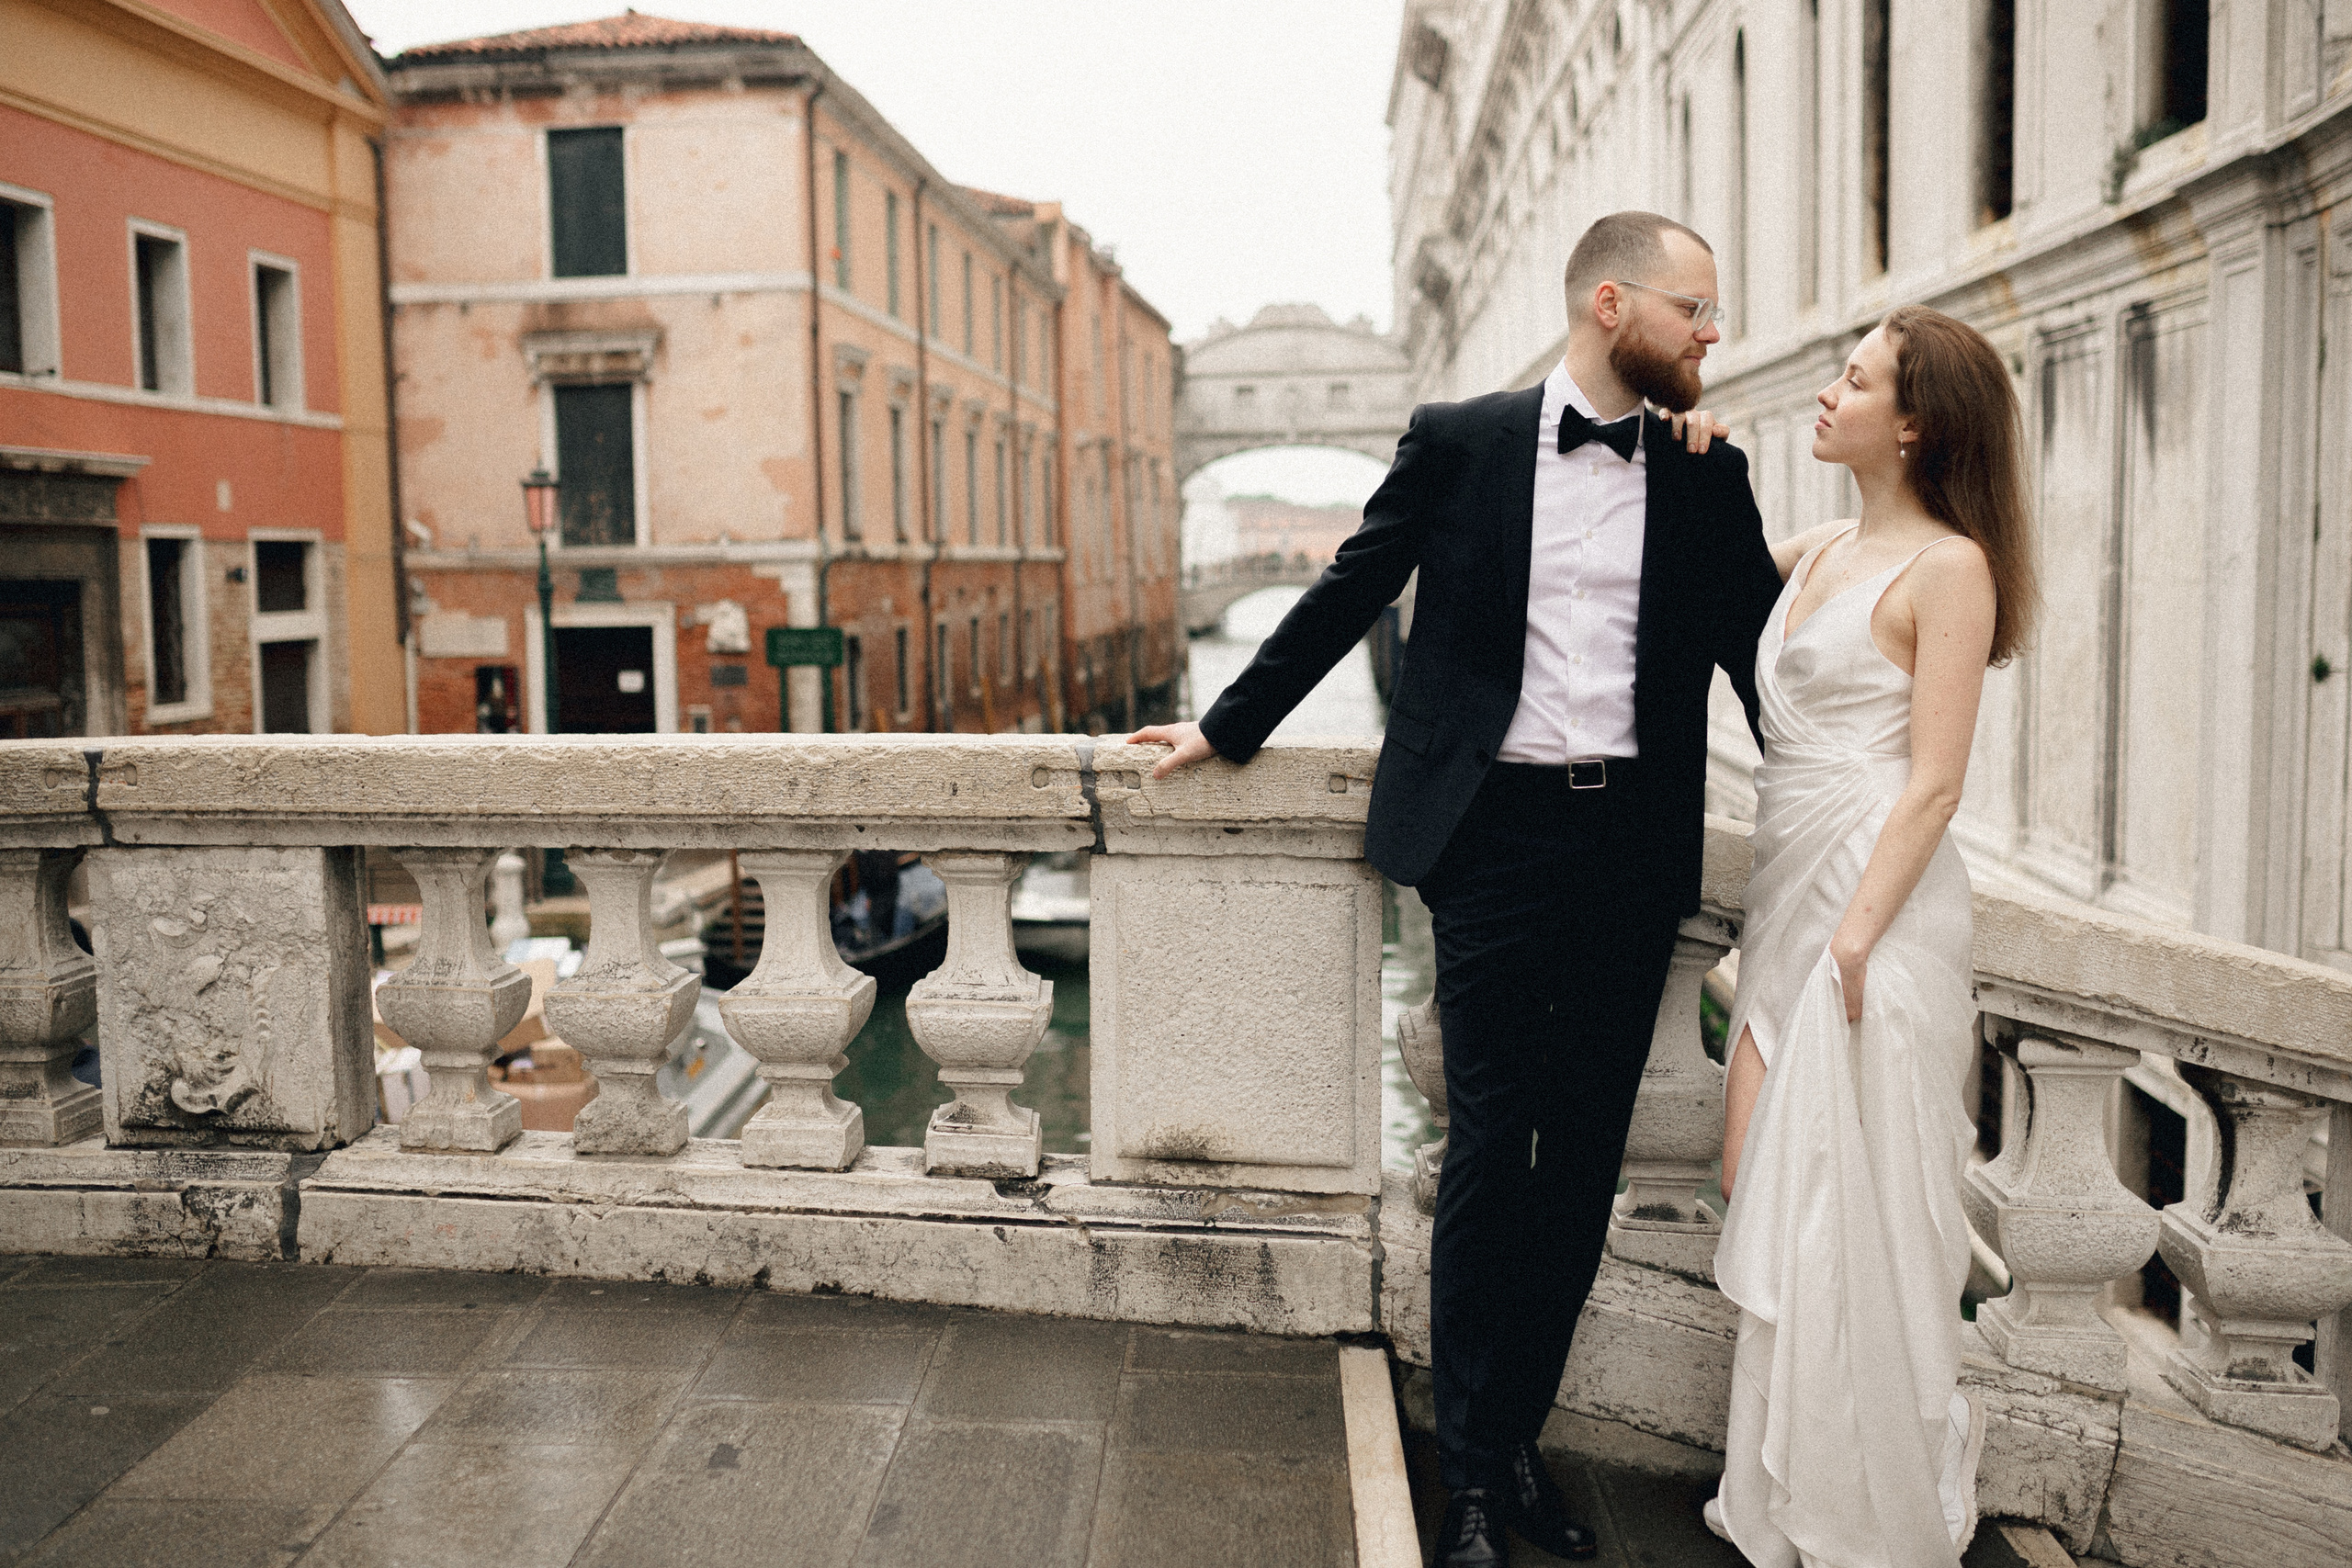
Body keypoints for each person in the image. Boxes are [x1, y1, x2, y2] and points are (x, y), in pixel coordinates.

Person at [1136, 209, 1783, 1567]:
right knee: (1494, 1149)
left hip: (1629, 848)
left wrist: (1851, 808)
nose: (1714, 334)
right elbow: (1346, 587)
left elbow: (1761, 666)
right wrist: (1226, 725)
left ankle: (1517, 1440)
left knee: (1584, 1166)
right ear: (1613, 305)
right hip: (1488, 837)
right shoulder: (1461, 439)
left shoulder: (1710, 476)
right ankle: (1475, 1474)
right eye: (1696, 310)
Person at [1704, 305, 2038, 1567]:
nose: (1826, 397)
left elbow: (1937, 781)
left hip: (1873, 917)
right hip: (1787, 901)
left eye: (1854, 382)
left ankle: (1857, 1510)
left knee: (1859, 1211)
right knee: (1760, 1183)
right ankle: (1784, 1486)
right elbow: (1704, 568)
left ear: (1914, 423)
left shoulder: (1952, 568)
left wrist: (1853, 941)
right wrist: (1680, 450)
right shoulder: (1824, 548)